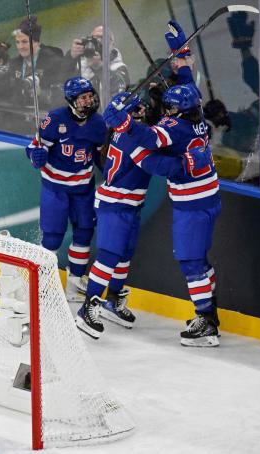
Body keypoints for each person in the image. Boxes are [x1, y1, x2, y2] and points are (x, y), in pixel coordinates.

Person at [76, 94, 213, 339]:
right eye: (138, 108)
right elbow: (156, 164)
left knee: (124, 256)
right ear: (129, 115)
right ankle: (88, 308)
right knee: (108, 257)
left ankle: (113, 300)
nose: (146, 109)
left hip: (129, 205)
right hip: (115, 205)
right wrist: (193, 159)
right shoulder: (132, 138)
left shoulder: (133, 132)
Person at [25, 76, 106, 303]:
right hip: (55, 188)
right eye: (83, 98)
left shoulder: (98, 123)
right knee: (52, 237)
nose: (89, 101)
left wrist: (111, 171)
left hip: (83, 189)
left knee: (84, 234)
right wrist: (36, 156)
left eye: (90, 96)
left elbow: (101, 157)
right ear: (72, 100)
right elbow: (32, 148)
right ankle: (41, 283)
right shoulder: (54, 119)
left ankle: (74, 285)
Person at [7, 16, 65, 107]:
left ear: (37, 42)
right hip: (20, 113)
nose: (20, 47)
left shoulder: (54, 63)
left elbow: (61, 97)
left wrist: (41, 93)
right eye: (17, 42)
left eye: (24, 42)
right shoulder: (13, 64)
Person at [67, 25, 129, 98]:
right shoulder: (79, 64)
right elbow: (59, 82)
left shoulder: (118, 67)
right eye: (95, 38)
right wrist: (70, 58)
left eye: (104, 38)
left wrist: (100, 68)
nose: (99, 41)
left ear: (113, 45)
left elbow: (120, 91)